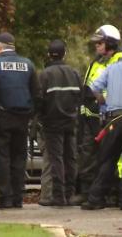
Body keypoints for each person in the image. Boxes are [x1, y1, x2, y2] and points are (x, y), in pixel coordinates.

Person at [81, 39, 122, 210]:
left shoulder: (110, 69)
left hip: (112, 120)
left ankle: (95, 199)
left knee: (107, 160)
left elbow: (94, 87)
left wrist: (103, 101)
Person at [0, 32, 40, 209]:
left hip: (1, 117)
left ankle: (5, 197)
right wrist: (31, 113)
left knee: (2, 157)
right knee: (19, 157)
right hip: (23, 118)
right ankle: (18, 197)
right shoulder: (28, 64)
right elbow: (37, 93)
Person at [69, 25, 122, 205]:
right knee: (88, 155)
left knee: (110, 156)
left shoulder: (119, 61)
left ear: (110, 43)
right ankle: (87, 191)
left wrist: (102, 100)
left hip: (110, 117)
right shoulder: (96, 62)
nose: (97, 46)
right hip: (90, 118)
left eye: (100, 43)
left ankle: (114, 193)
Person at [37, 39, 82, 206]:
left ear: (49, 55)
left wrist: (41, 118)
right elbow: (80, 97)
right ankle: (70, 194)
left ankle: (58, 196)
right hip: (70, 121)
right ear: (65, 54)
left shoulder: (45, 75)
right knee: (70, 157)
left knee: (56, 159)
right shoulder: (74, 74)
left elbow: (39, 100)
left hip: (51, 123)